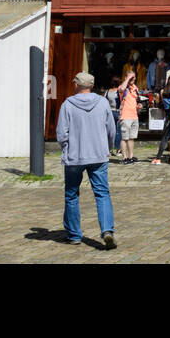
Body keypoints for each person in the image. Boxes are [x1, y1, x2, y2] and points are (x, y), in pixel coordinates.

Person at [55, 72, 117, 249]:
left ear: (77, 85)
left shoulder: (68, 104)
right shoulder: (103, 103)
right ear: (91, 85)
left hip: (75, 156)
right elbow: (111, 129)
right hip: (98, 154)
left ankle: (74, 234)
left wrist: (67, 147)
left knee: (72, 194)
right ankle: (107, 230)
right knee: (102, 193)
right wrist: (108, 147)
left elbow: (61, 133)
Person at [118, 72, 140, 164]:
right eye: (131, 77)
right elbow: (121, 89)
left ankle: (130, 156)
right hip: (125, 116)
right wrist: (128, 79)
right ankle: (124, 157)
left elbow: (136, 100)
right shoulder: (123, 87)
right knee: (124, 138)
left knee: (131, 138)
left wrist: (139, 106)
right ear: (126, 77)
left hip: (134, 116)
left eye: (134, 77)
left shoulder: (135, 88)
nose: (133, 79)